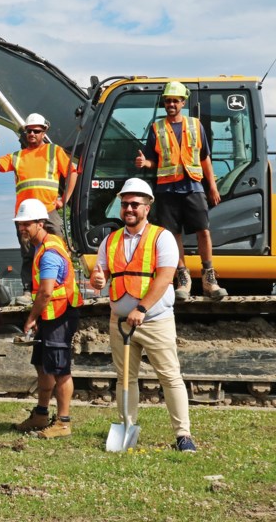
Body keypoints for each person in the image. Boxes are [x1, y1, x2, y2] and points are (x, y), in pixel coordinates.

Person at [89, 178, 197, 452]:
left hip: (154, 320)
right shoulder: (110, 241)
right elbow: (100, 275)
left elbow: (164, 279)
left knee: (170, 376)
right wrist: (98, 281)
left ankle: (183, 435)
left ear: (147, 207)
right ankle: (126, 424)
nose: (129, 209)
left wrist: (141, 308)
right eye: (125, 204)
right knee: (126, 378)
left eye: (135, 204)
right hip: (120, 322)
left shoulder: (162, 238)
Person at [134, 81, 227, 300]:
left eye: (175, 100)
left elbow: (205, 159)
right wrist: (144, 164)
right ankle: (182, 277)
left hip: (193, 187)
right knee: (173, 235)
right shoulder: (156, 128)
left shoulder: (195, 125)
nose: (171, 104)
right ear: (164, 103)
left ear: (183, 102)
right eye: (168, 100)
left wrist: (212, 186)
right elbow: (153, 160)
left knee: (203, 230)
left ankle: (209, 277)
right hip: (167, 190)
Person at [0, 113, 76, 305]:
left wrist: (64, 200)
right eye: (29, 131)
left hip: (48, 210)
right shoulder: (18, 156)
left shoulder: (54, 151)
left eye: (36, 131)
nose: (32, 134)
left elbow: (73, 173)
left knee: (58, 247)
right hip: (25, 214)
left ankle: (64, 286)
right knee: (27, 253)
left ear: (44, 132)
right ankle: (29, 291)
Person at [12, 198, 82, 439]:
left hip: (59, 315)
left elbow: (46, 291)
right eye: (20, 224)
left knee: (60, 369)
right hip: (51, 315)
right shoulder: (42, 247)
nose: (22, 228)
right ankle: (41, 414)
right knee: (42, 365)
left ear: (40, 223)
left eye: (26, 224)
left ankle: (63, 422)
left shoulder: (49, 252)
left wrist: (31, 318)